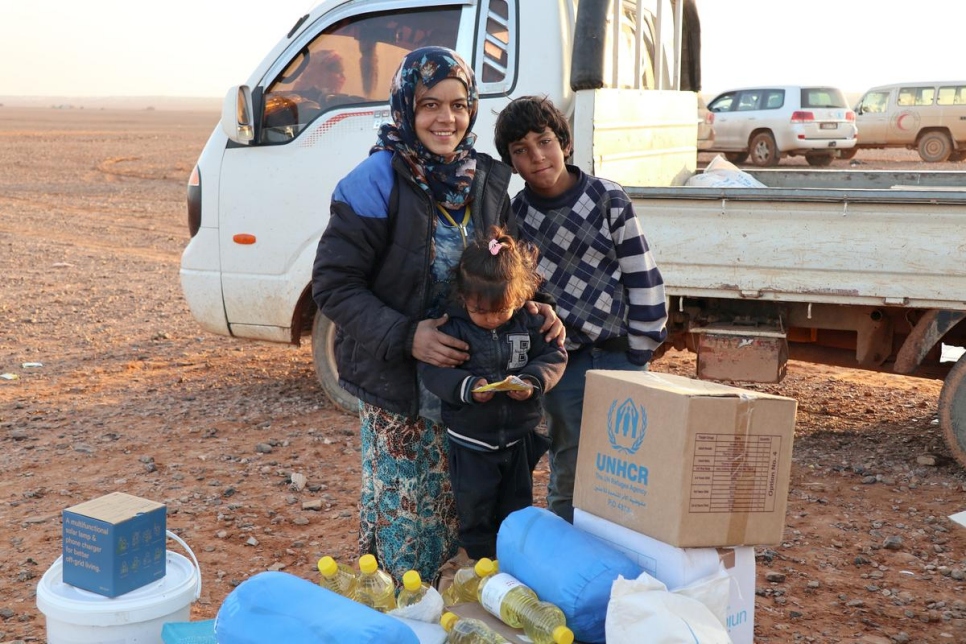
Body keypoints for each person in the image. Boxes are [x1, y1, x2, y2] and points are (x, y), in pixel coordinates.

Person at [311, 49, 563, 584]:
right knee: (410, 539)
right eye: (429, 104)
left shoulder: (487, 181)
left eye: (458, 104)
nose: (445, 118)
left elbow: (508, 265)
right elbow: (334, 284)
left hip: (473, 396)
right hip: (402, 392)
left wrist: (534, 309)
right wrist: (408, 336)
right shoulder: (375, 180)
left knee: (471, 526)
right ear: (406, 106)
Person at [494, 95, 669, 523]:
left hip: (618, 355)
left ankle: (628, 553)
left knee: (628, 467)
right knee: (569, 463)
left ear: (565, 143)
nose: (537, 157)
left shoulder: (607, 198)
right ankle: (568, 553)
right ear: (511, 164)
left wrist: (640, 349)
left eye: (544, 141)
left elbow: (640, 272)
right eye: (521, 150)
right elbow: (520, 298)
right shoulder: (515, 218)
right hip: (561, 364)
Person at [419, 227, 567, 559]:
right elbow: (433, 371)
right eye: (480, 311)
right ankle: (480, 565)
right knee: (475, 510)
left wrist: (532, 381)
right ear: (463, 298)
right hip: (470, 442)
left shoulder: (529, 322)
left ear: (519, 297)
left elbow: (554, 355)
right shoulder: (451, 327)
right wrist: (467, 388)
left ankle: (514, 562)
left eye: (501, 311)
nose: (491, 319)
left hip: (518, 438)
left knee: (517, 506)